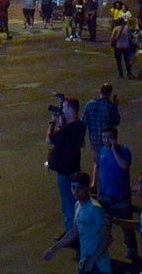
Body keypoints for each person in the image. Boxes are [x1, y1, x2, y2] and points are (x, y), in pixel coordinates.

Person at [43, 172, 112, 273]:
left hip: (98, 265)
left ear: (87, 188)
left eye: (79, 188)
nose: (75, 192)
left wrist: (92, 260)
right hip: (86, 260)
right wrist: (54, 249)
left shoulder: (95, 209)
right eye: (73, 187)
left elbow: (108, 238)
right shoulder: (78, 205)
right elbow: (74, 231)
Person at [93, 125, 138, 266]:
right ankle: (102, 249)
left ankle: (132, 249)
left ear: (115, 138)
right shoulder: (101, 151)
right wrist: (96, 187)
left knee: (126, 226)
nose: (106, 140)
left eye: (109, 137)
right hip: (105, 196)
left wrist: (114, 149)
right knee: (104, 225)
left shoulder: (124, 151)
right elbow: (99, 169)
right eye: (103, 137)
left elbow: (124, 165)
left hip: (121, 196)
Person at [48, 96, 88, 235]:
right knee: (73, 202)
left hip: (65, 171)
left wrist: (52, 122)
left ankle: (71, 234)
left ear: (71, 109)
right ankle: (73, 231)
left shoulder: (69, 128)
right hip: (74, 168)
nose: (62, 110)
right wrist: (62, 121)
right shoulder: (79, 125)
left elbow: (50, 139)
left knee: (68, 204)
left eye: (64, 107)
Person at [82, 84, 122, 153]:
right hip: (108, 142)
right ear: (109, 93)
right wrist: (116, 107)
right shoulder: (110, 106)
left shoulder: (89, 104)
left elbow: (83, 122)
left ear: (100, 91)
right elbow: (116, 121)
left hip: (94, 141)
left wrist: (82, 138)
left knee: (97, 158)